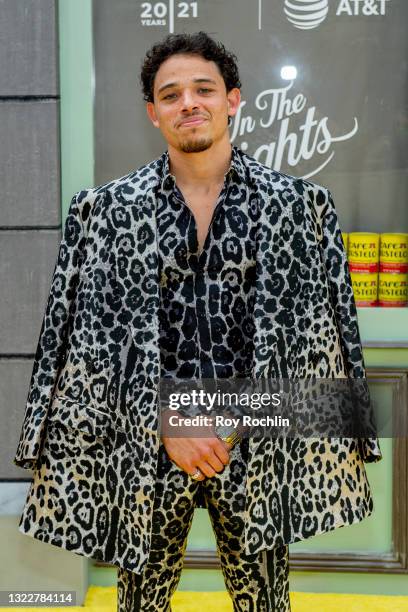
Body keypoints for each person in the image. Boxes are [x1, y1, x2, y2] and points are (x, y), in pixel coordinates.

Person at [14, 31, 382, 612]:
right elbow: (87, 348)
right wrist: (170, 420)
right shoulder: (105, 213)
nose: (189, 102)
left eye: (203, 89)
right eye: (171, 94)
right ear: (153, 113)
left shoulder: (298, 209)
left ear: (233, 99)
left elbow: (319, 346)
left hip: (258, 441)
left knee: (264, 600)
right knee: (140, 601)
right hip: (146, 444)